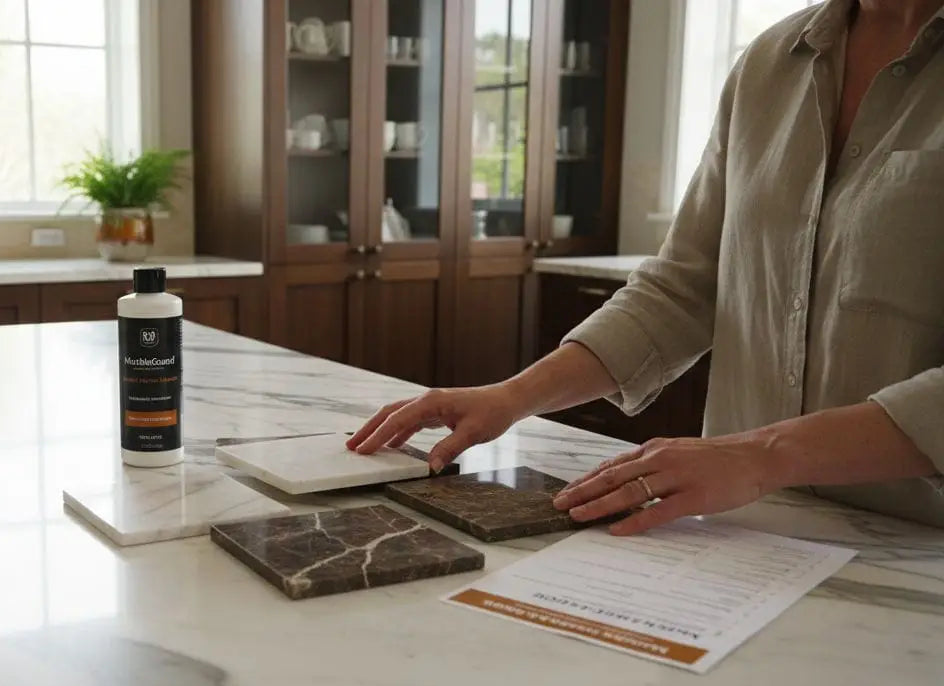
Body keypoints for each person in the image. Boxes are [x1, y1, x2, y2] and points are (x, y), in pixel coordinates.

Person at [349, 0, 944, 536]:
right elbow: (682, 287)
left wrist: (763, 454)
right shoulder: (768, 62)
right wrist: (512, 396)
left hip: (917, 548)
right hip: (745, 530)